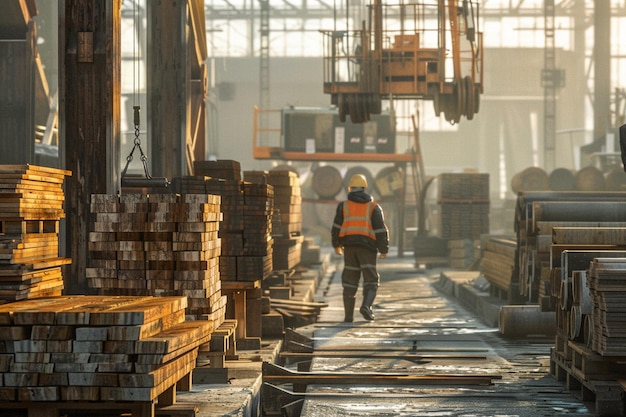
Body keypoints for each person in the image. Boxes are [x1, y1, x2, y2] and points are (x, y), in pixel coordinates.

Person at [331, 173, 389, 322]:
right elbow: (381, 230)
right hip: (368, 249)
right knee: (371, 279)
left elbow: (336, 227)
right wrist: (383, 249)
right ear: (365, 188)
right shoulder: (374, 207)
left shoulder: (343, 206)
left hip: (349, 249)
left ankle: (348, 316)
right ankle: (366, 306)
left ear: (350, 188)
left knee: (350, 280)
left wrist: (336, 245)